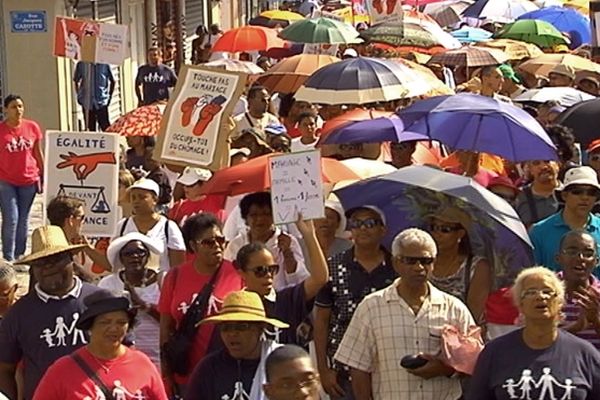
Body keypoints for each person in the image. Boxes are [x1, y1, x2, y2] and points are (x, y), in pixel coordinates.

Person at [334, 228, 475, 400]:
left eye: (425, 261)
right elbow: (358, 367)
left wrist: (444, 369)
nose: (419, 267)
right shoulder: (372, 307)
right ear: (396, 263)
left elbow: (474, 362)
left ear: (433, 263)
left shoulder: (454, 308)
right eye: (410, 261)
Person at [467, 267, 600, 399]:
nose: (540, 296)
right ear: (520, 304)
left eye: (547, 291)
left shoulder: (585, 354)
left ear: (560, 303)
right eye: (531, 292)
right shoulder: (494, 353)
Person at [0, 226, 101, 399]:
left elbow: (123, 355)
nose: (48, 267)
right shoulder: (18, 314)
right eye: (40, 263)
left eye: (56, 259)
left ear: (71, 258)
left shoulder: (100, 301)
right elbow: (4, 369)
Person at [314, 206, 397, 400]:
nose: (363, 229)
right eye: (356, 224)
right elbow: (321, 322)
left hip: (388, 366)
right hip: (343, 370)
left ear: (383, 230)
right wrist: (323, 369)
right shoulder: (333, 266)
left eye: (369, 223)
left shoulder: (396, 268)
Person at [158, 213, 244, 394]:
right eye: (208, 242)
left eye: (220, 240)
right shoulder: (174, 277)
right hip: (186, 374)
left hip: (227, 372)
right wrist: (167, 374)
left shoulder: (238, 274)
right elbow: (166, 328)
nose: (217, 246)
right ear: (192, 246)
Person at [32, 290, 167, 400]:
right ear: (90, 327)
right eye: (105, 322)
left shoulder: (142, 363)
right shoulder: (62, 370)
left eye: (121, 323)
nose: (114, 328)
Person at [233, 215, 328, 345]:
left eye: (272, 269)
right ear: (242, 273)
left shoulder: (286, 300)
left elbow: (320, 278)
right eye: (260, 270)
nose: (268, 275)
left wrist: (309, 235)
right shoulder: (235, 308)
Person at [185, 290, 286, 400]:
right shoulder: (208, 369)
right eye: (226, 328)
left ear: (261, 329)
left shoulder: (281, 365)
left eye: (242, 327)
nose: (232, 334)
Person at [99, 233, 163, 367]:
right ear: (121, 258)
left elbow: (172, 322)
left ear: (148, 256)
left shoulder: (163, 281)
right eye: (128, 253)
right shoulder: (108, 284)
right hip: (120, 359)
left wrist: (143, 305)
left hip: (158, 359)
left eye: (140, 252)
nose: (135, 256)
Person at [224, 192, 309, 291]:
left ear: (274, 217)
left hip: (279, 301)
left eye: (266, 214)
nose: (260, 219)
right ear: (246, 219)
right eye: (254, 215)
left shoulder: (288, 242)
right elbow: (227, 278)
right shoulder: (236, 245)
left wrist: (287, 253)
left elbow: (298, 281)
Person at [529, 166, 600, 273]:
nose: (585, 197)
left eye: (591, 193)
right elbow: (532, 276)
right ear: (564, 195)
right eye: (577, 191)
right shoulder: (539, 232)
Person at [427, 207, 492, 322]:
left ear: (460, 234)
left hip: (460, 332)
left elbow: (474, 313)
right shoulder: (423, 261)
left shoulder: (477, 267)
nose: (437, 234)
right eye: (433, 227)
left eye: (445, 229)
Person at [0, 95, 44, 261]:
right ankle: (8, 256)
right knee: (11, 218)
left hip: (29, 179)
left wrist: (42, 174)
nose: (18, 110)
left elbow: (38, 153)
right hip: (6, 180)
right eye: (13, 106)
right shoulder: (1, 130)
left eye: (20, 106)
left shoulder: (32, 127)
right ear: (5, 109)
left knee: (23, 218)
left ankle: (20, 254)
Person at [115, 178, 186, 273]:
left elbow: (178, 268)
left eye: (142, 197)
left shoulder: (169, 227)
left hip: (160, 286)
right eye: (133, 197)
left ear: (155, 199)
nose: (136, 201)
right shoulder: (122, 226)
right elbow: (113, 262)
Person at [555, 230, 600, 350]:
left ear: (596, 261)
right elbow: (535, 339)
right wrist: (575, 327)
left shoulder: (597, 295)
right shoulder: (544, 292)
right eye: (572, 251)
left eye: (588, 253)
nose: (580, 258)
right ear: (558, 258)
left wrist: (596, 321)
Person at [46, 195, 111, 276]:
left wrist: (86, 247)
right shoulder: (61, 252)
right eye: (82, 217)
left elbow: (110, 266)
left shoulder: (46, 246)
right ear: (70, 220)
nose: (83, 222)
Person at [514, 159, 561, 227]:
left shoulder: (572, 193)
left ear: (557, 165)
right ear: (530, 169)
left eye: (547, 161)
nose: (543, 167)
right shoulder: (519, 196)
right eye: (536, 163)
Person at [73, 62, 115, 131]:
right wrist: (79, 96)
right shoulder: (81, 64)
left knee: (106, 129)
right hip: (87, 104)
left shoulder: (104, 64)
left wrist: (109, 97)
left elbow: (113, 81)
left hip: (101, 103)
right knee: (91, 130)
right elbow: (76, 80)